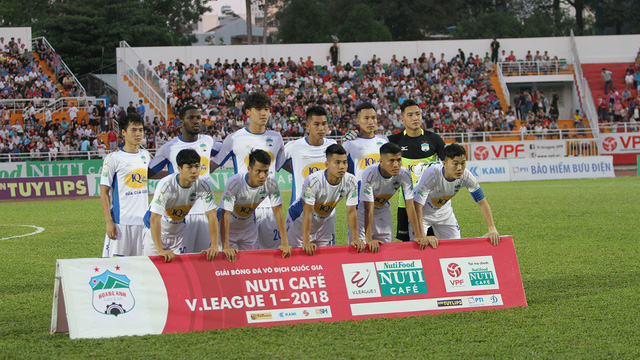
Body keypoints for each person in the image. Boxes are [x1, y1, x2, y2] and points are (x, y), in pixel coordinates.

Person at [211, 91, 285, 250]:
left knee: (272, 255)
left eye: (266, 109)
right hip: (241, 209)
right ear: (248, 112)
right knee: (237, 257)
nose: (264, 113)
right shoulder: (234, 138)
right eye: (259, 109)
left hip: (268, 206)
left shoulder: (277, 138)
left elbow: (282, 164)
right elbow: (215, 164)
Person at [148, 105, 222, 253]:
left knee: (208, 259)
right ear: (181, 122)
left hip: (205, 212)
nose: (196, 121)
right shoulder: (169, 147)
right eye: (191, 118)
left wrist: (209, 168)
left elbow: (226, 150)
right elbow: (149, 173)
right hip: (181, 216)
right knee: (184, 261)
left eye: (198, 118)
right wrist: (171, 176)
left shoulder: (207, 141)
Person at [412, 143, 500, 247]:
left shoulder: (466, 176)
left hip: (444, 212)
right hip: (422, 214)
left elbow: (482, 201)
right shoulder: (431, 175)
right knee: (418, 245)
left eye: (463, 163)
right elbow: (417, 206)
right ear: (444, 163)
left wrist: (492, 228)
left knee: (455, 248)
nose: (459, 168)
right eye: (455, 164)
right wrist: (422, 235)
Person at [143, 149, 222, 262]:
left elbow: (212, 215)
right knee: (152, 270)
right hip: (155, 232)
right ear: (179, 169)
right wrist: (160, 250)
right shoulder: (167, 185)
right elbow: (154, 218)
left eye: (197, 166)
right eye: (189, 167)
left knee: (179, 270)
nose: (194, 171)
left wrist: (214, 246)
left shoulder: (203, 184)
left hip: (178, 231)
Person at [286, 144, 365, 255]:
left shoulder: (351, 181)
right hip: (298, 223)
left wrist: (356, 238)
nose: (342, 166)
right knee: (298, 260)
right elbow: (307, 214)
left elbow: (352, 212)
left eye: (344, 162)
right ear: (327, 164)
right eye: (337, 162)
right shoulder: (313, 181)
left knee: (326, 258)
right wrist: (306, 241)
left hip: (323, 224)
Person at [388, 99, 445, 242]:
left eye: (418, 114)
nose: (415, 118)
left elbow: (448, 164)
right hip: (406, 202)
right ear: (402, 119)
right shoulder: (394, 140)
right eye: (410, 115)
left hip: (430, 202)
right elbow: (370, 145)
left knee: (434, 241)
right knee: (409, 244)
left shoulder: (434, 139)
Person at [215, 150, 291, 257]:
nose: (262, 176)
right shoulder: (235, 183)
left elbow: (278, 213)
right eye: (258, 171)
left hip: (249, 228)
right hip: (228, 229)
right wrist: (226, 245)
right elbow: (225, 215)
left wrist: (285, 243)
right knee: (225, 264)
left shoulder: (271, 182)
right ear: (249, 169)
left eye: (266, 171)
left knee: (251, 262)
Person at [357, 143, 431, 253]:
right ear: (381, 161)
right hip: (362, 212)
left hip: (383, 210)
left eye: (399, 160)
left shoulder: (404, 173)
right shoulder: (369, 173)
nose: (396, 164)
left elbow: (410, 205)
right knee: (362, 249)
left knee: (387, 250)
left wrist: (419, 235)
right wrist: (369, 239)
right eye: (391, 160)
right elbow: (368, 209)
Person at [100, 114, 150, 257]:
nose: (138, 134)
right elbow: (104, 192)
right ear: (123, 132)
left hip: (143, 223)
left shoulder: (145, 155)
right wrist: (109, 221)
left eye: (140, 130)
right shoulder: (113, 158)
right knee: (116, 266)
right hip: (121, 223)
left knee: (140, 268)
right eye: (133, 130)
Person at [280, 106, 337, 202]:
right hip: (300, 211)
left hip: (326, 211)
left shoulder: (332, 145)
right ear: (308, 126)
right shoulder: (294, 146)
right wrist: (295, 169)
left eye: (324, 124)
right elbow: (276, 164)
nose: (321, 128)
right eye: (316, 124)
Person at [343, 102, 389, 182]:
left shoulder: (384, 141)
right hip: (360, 192)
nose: (371, 122)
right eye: (366, 118)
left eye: (373, 118)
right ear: (357, 120)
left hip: (383, 192)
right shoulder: (349, 144)